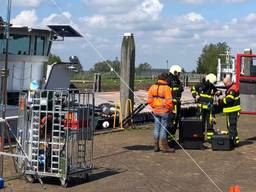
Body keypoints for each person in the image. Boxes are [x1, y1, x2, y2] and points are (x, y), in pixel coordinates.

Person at [147, 73, 174, 153]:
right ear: (165, 79)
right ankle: (165, 147)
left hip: (155, 111)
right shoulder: (167, 88)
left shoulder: (152, 87)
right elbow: (169, 101)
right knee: (163, 129)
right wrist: (170, 109)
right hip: (164, 111)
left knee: (156, 128)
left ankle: (156, 146)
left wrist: (154, 107)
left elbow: (149, 100)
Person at [191, 73, 221, 141]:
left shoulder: (212, 86)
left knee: (210, 123)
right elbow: (193, 89)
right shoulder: (200, 85)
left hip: (209, 109)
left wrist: (219, 92)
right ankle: (200, 138)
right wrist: (195, 95)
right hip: (201, 109)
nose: (212, 84)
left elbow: (218, 92)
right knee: (200, 123)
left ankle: (210, 138)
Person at [218, 75, 240, 146]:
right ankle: (235, 141)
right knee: (232, 126)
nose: (225, 85)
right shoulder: (231, 88)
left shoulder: (232, 89)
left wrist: (220, 102)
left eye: (225, 83)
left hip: (233, 112)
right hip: (232, 111)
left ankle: (231, 142)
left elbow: (229, 100)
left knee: (231, 127)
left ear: (229, 82)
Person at [167, 65, 184, 146]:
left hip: (177, 104)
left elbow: (179, 89)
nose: (179, 74)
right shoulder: (169, 80)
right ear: (175, 72)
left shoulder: (176, 80)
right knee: (172, 121)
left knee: (175, 121)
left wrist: (180, 88)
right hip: (172, 105)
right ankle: (169, 141)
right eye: (179, 73)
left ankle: (172, 139)